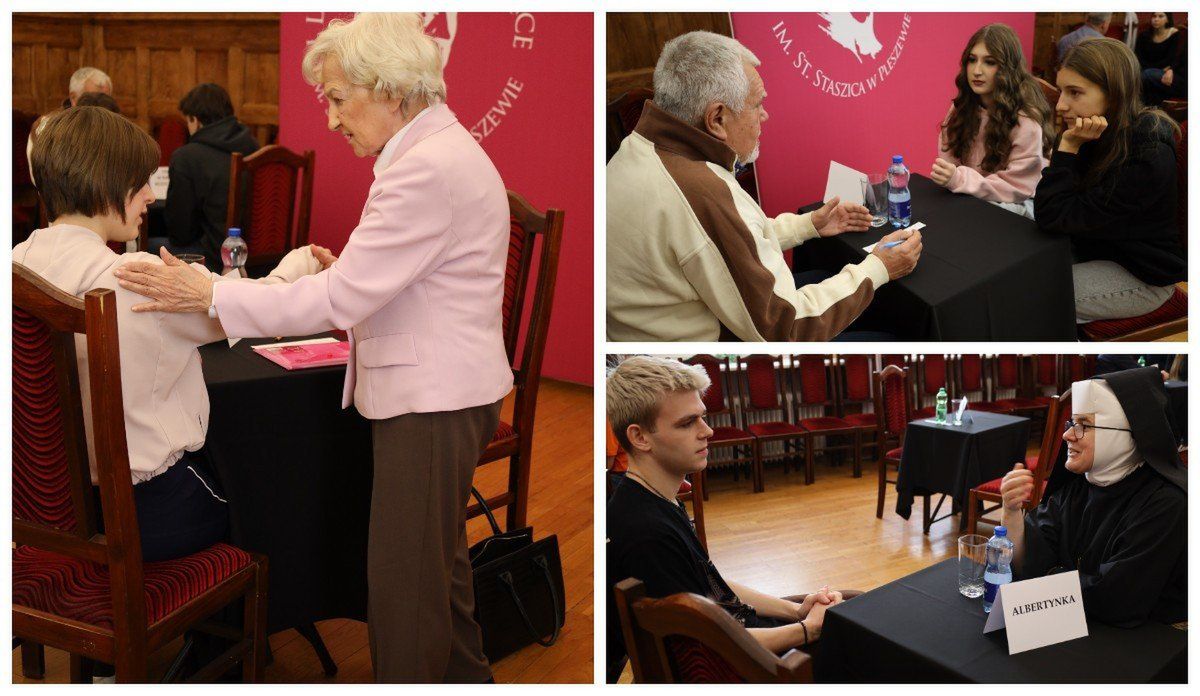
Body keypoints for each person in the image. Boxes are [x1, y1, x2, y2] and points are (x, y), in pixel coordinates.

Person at [111, 13, 513, 684]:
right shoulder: (433, 151)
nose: (329, 119)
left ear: (391, 88)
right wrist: (337, 276)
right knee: (437, 576)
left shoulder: (424, 169)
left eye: (337, 98)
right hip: (449, 390)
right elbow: (379, 281)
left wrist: (211, 293)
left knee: (404, 590)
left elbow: (340, 301)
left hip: (433, 399)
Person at [14, 106, 326, 563]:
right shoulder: (136, 278)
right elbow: (251, 309)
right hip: (146, 515)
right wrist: (299, 265)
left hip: (40, 509)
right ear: (106, 183)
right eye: (139, 182)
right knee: (265, 493)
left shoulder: (16, 266)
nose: (148, 196)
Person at [606, 31, 922, 342]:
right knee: (893, 334)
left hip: (660, 332)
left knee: (830, 280)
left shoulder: (636, 149)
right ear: (717, 119)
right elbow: (787, 328)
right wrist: (879, 267)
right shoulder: (700, 191)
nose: (765, 115)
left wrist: (809, 224)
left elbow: (723, 240)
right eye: (757, 105)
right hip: (706, 353)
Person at [606, 356, 848, 682]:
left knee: (856, 609)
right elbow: (708, 645)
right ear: (639, 437)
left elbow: (708, 583)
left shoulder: (656, 500)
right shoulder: (647, 533)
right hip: (734, 665)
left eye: (702, 418)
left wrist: (797, 610)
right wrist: (809, 629)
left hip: (733, 637)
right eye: (687, 423)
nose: (707, 431)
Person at [999, 367, 1185, 627]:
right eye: (1071, 423)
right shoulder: (1077, 488)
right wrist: (1010, 511)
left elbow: (1116, 599)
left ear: (1123, 435)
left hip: (1144, 640)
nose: (1067, 435)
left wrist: (1051, 575)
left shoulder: (1166, 503)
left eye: (1083, 425)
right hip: (1075, 624)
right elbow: (1028, 560)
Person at [1035, 38, 1184, 322]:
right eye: (1061, 91)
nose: (1061, 105)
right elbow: (1052, 211)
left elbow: (1052, 215)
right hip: (1095, 249)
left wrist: (1066, 150)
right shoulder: (1089, 133)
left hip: (1142, 275)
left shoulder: (1148, 156)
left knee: (1027, 294)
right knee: (1009, 273)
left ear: (1114, 95)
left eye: (1075, 92)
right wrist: (1069, 148)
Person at [931, 24, 1053, 218]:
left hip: (1016, 202)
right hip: (971, 195)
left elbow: (1018, 187)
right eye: (972, 60)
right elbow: (949, 162)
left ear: (1007, 69)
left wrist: (960, 180)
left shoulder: (1026, 120)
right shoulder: (960, 108)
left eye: (989, 62)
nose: (977, 71)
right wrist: (953, 177)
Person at [154, 83, 260, 267]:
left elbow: (180, 234)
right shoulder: (253, 146)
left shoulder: (187, 157)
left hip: (214, 258)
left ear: (195, 120)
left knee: (148, 246)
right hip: (257, 256)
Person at [1135, 13, 1185, 105]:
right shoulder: (1144, 35)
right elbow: (1138, 57)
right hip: (1145, 69)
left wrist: (1168, 69)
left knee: (1146, 75)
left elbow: (1171, 59)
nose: (1156, 19)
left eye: (1161, 16)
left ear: (1167, 19)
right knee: (1142, 76)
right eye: (1154, 16)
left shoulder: (1175, 35)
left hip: (1166, 72)